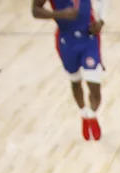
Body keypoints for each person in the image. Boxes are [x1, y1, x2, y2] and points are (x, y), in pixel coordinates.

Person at [31, 0, 106, 140]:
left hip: (89, 37)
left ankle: (92, 115)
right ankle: (84, 114)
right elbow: (35, 10)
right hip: (67, 40)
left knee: (94, 85)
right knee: (75, 81)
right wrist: (60, 14)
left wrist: (101, 20)